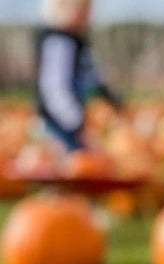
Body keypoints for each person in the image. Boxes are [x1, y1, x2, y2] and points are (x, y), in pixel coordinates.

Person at [35, 0, 122, 153]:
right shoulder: (59, 42)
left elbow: (93, 78)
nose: (85, 15)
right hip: (59, 123)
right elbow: (55, 89)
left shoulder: (77, 42)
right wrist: (76, 121)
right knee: (73, 161)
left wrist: (111, 100)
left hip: (75, 119)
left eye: (86, 10)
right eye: (79, 10)